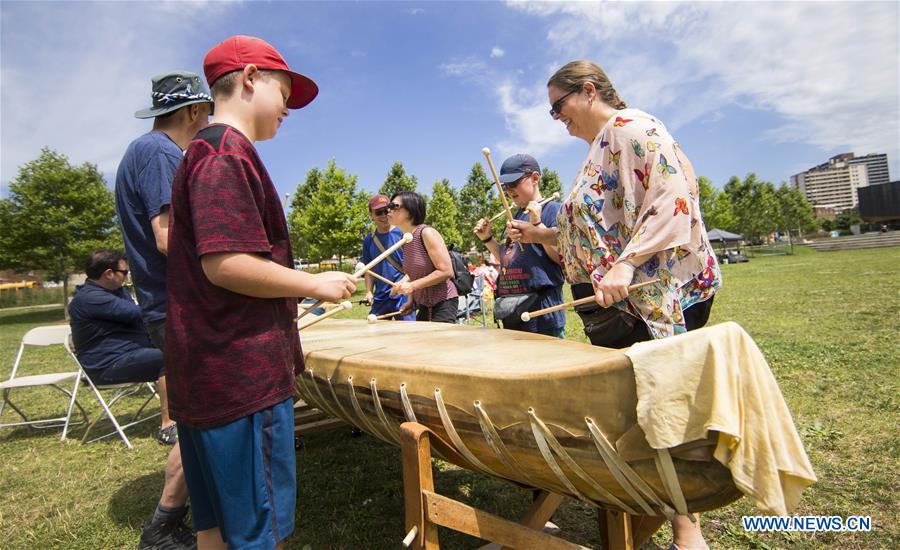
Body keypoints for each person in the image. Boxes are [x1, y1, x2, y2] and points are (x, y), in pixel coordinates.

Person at [508, 60, 722, 550]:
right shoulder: (594, 152)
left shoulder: (634, 127)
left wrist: (626, 265)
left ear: (588, 90)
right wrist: (538, 232)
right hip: (613, 303)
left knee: (659, 404)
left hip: (647, 297)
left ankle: (688, 530)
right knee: (630, 410)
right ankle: (639, 502)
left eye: (557, 106)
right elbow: (581, 230)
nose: (556, 117)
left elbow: (675, 198)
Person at [165, 35, 357, 549]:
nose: (289, 110)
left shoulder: (202, 151)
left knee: (215, 529)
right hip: (240, 377)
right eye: (284, 92)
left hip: (207, 375)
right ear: (250, 79)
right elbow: (226, 264)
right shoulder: (225, 154)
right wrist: (315, 283)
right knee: (253, 533)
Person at [115, 70, 213, 550]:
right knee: (201, 417)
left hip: (164, 302)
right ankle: (164, 526)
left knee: (199, 415)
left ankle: (170, 518)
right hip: (174, 304)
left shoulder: (145, 151)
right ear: (194, 111)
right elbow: (167, 236)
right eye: (207, 113)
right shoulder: (160, 153)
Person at [473, 154, 566, 337]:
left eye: (514, 183)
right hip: (512, 310)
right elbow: (509, 259)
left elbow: (561, 259)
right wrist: (487, 239)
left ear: (535, 178)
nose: (509, 190)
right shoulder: (513, 216)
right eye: (505, 186)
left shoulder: (552, 209)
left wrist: (538, 225)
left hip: (542, 314)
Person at [386, 191, 459, 323]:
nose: (388, 210)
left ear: (411, 210)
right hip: (423, 304)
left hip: (444, 302)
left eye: (394, 206)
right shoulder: (405, 239)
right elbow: (413, 274)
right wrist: (410, 300)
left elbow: (446, 271)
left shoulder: (427, 233)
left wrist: (412, 286)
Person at [360, 194, 414, 320]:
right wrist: (368, 291)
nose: (384, 215)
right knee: (376, 336)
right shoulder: (369, 240)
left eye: (387, 210)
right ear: (371, 215)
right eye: (379, 212)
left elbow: (414, 268)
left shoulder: (404, 234)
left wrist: (401, 284)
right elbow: (369, 270)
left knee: (408, 336)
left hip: (402, 295)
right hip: (380, 298)